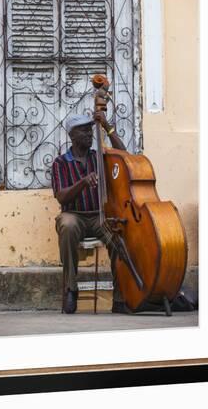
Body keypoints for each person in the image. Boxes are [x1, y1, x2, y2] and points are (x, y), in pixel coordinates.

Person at [51, 111, 131, 314]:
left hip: (98, 216)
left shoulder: (99, 157)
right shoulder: (61, 163)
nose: (89, 133)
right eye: (84, 130)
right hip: (74, 215)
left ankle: (120, 295)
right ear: (72, 135)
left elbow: (125, 158)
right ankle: (71, 289)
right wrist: (83, 182)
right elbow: (61, 197)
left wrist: (107, 127)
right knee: (67, 225)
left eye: (90, 129)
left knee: (119, 233)